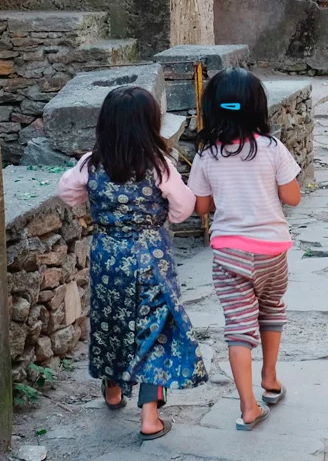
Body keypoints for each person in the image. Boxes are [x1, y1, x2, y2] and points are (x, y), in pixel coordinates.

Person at [57, 87, 206, 441]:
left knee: (112, 321)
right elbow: (184, 208)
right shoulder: (159, 166)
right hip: (151, 256)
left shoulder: (90, 163)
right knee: (156, 329)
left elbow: (67, 192)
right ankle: (150, 417)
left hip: (107, 255)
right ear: (149, 123)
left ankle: (112, 390)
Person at [189, 69, 301, 431]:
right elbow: (292, 197)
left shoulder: (207, 157)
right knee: (271, 310)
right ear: (257, 107)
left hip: (230, 256)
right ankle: (270, 379)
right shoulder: (272, 149)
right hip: (272, 251)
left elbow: (201, 207)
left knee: (238, 329)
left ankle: (248, 406)